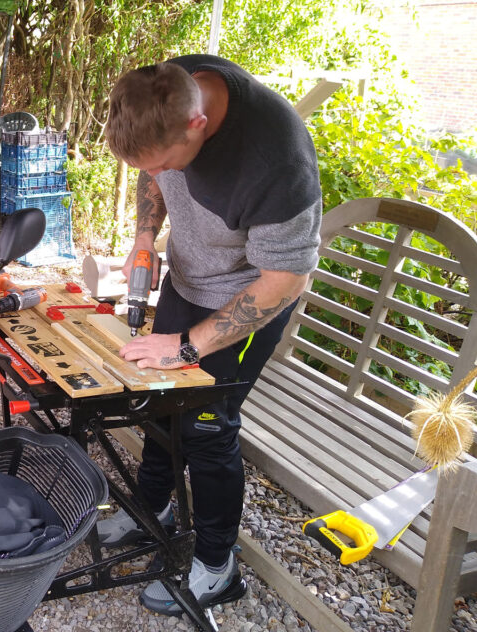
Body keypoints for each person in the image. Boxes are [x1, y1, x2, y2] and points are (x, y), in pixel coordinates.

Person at [101, 56, 322, 615]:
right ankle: (154, 508)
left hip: (249, 298)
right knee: (156, 398)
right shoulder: (167, 90)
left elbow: (285, 278)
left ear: (197, 125)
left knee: (206, 427)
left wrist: (186, 348)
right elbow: (154, 173)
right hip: (187, 279)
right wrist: (146, 236)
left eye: (169, 160)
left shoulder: (274, 157)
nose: (162, 173)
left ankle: (218, 565)